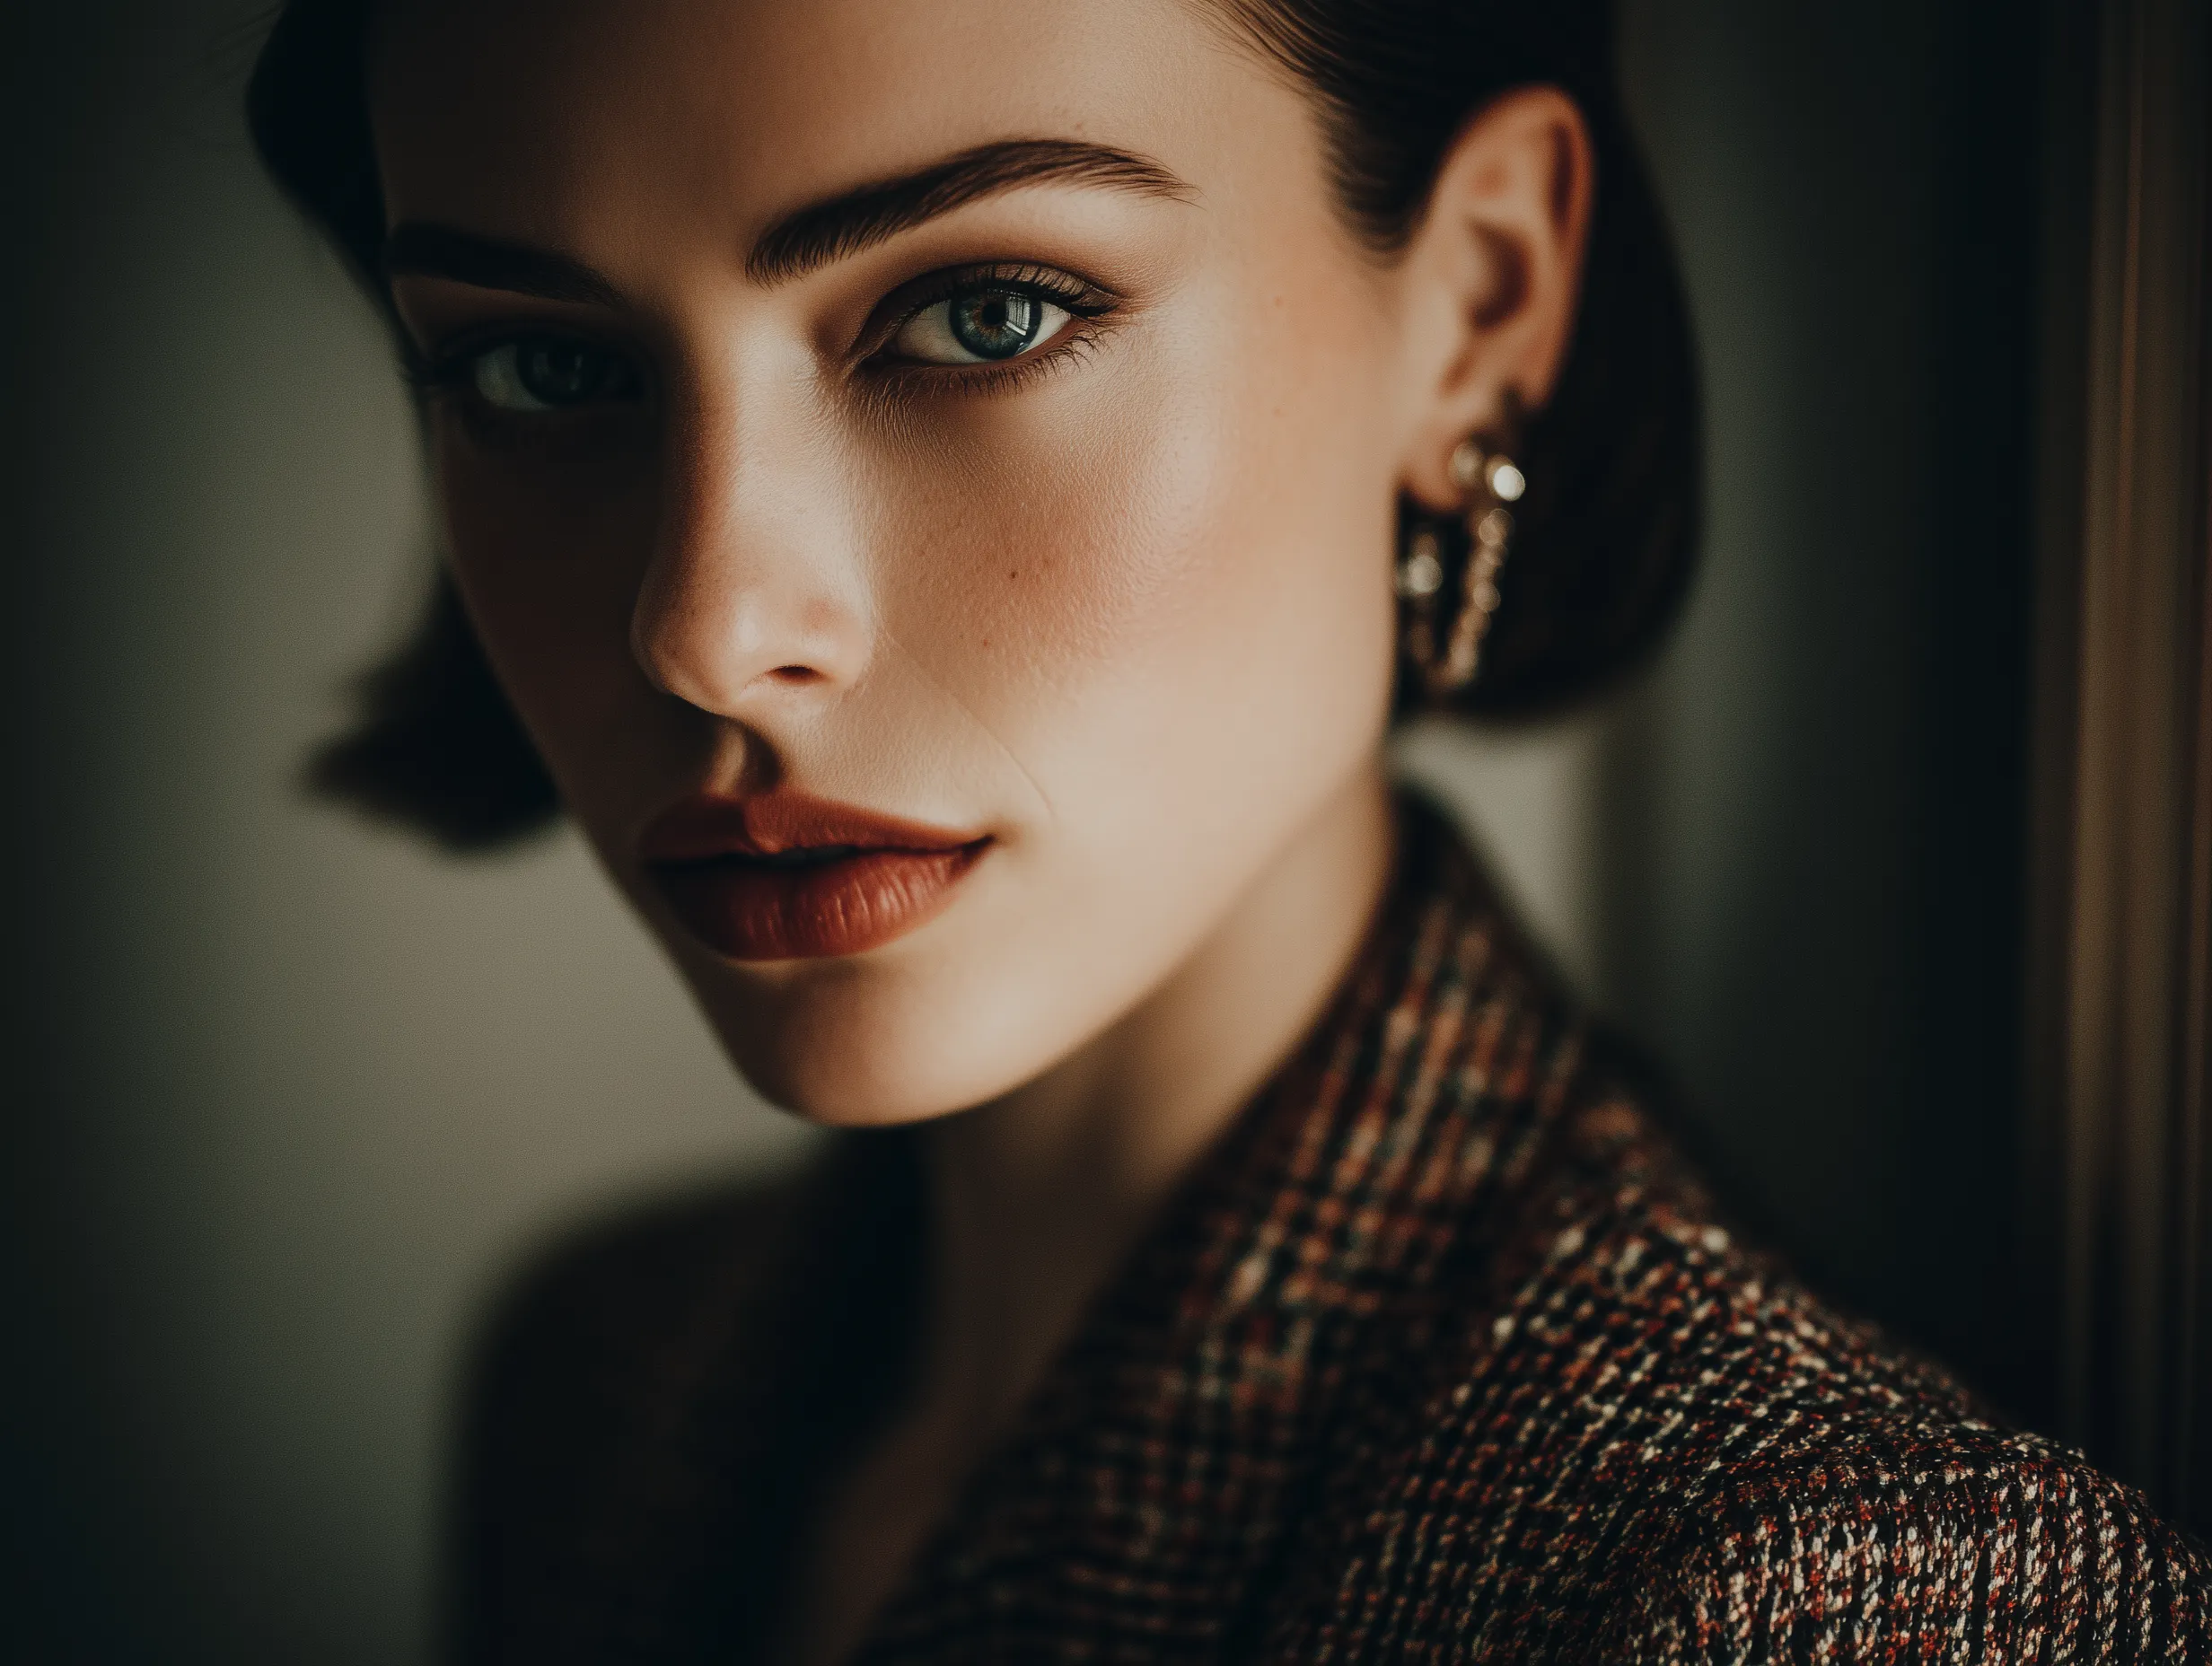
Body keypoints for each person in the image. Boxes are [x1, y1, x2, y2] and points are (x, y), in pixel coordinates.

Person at [248, 1, 2210, 1660]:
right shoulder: (596, 1378)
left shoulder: (1828, 1602)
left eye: (988, 311)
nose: (707, 629)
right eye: (543, 367)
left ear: (1475, 304)